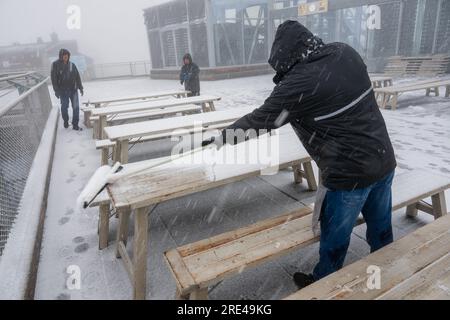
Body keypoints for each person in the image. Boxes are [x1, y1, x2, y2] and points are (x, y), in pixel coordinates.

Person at [203, 20, 397, 289]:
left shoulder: (299, 83)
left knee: (335, 235)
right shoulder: (344, 52)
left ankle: (324, 282)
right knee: (380, 225)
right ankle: (386, 268)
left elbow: (262, 119)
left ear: (284, 56)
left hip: (348, 174)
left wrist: (223, 138)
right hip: (384, 159)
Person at [51, 48, 84, 131]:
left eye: (67, 55)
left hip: (73, 89)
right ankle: (66, 120)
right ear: (61, 56)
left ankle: (75, 125)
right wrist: (56, 90)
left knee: (76, 107)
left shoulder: (72, 65)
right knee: (64, 107)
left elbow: (77, 77)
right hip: (63, 91)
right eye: (64, 55)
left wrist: (80, 87)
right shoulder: (55, 65)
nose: (66, 57)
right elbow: (54, 79)